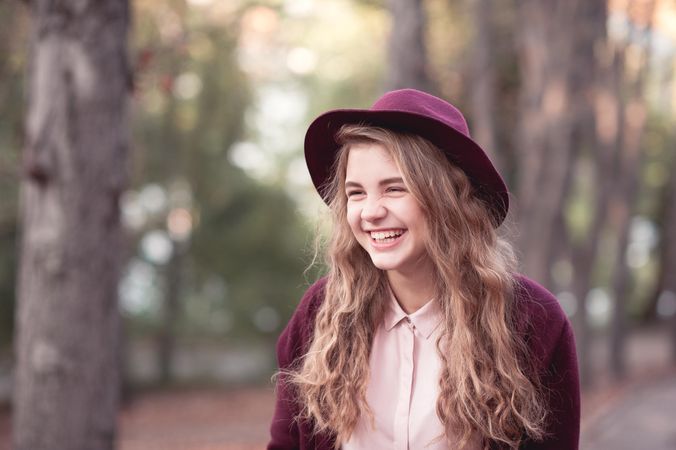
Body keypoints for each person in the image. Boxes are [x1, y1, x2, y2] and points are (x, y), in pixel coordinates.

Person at [268, 89, 580, 450]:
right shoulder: (320, 313)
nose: (370, 212)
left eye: (394, 188)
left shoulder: (531, 321)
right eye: (356, 193)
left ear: (448, 199)